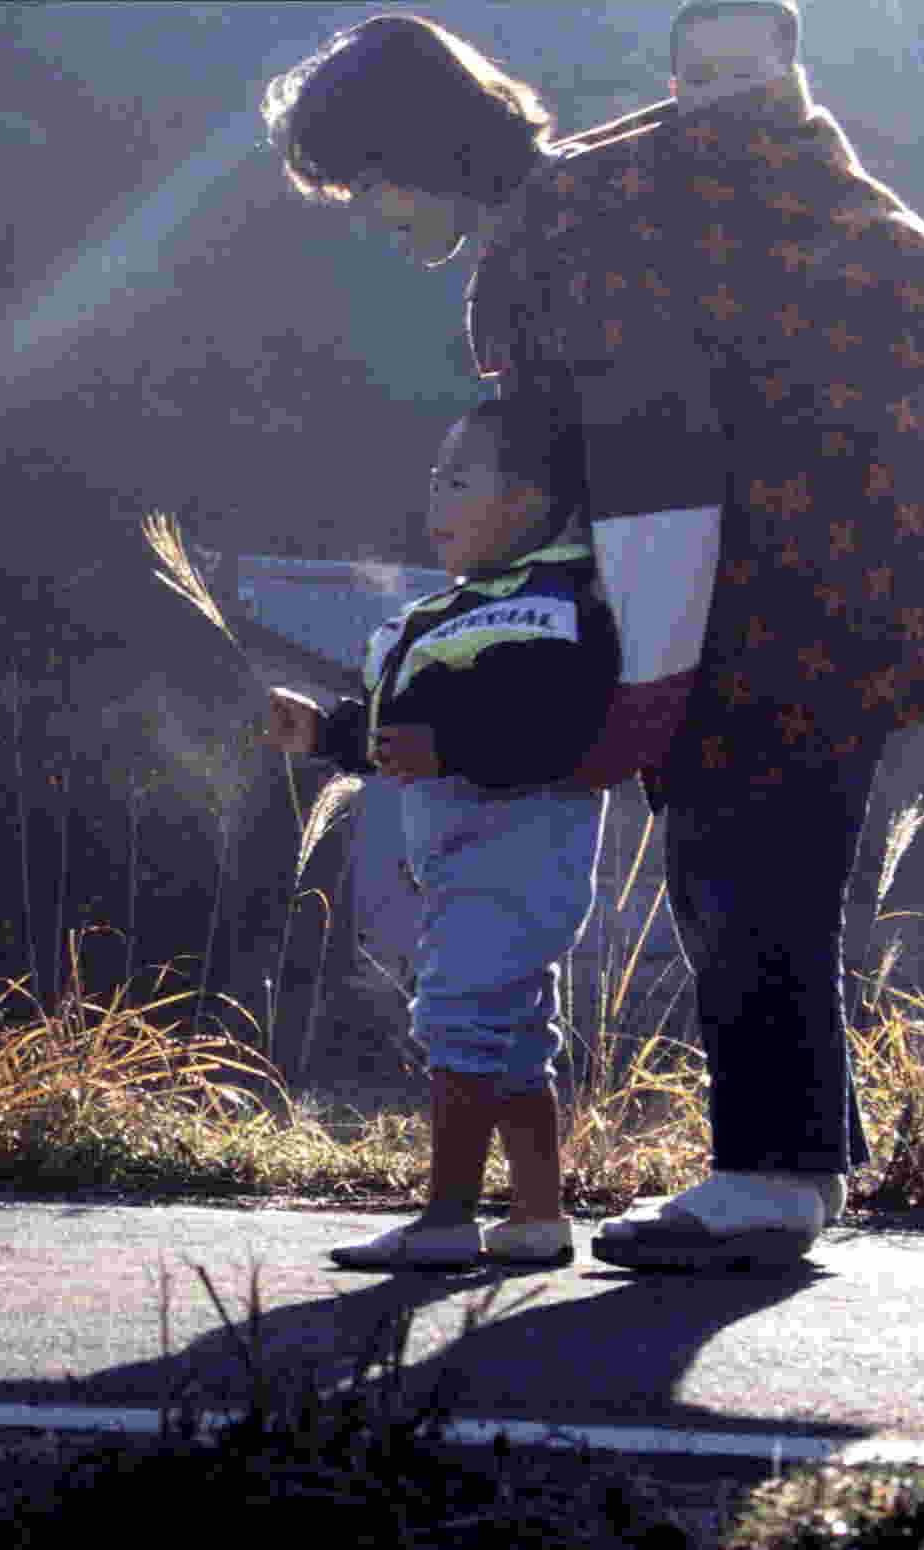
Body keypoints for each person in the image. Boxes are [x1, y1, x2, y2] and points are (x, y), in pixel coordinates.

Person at [263, 4, 924, 1270]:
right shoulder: (569, 213)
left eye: (363, 184)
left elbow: (658, 462)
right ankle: (786, 1161)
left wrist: (650, 678)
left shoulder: (569, 234)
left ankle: (768, 1175)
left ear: (412, 150)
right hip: (845, 530)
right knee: (743, 837)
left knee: (742, 834)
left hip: (806, 549)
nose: (366, 215)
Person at [265, 400, 616, 1270]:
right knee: (511, 1028)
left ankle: (446, 1218)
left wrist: (450, 745)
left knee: (459, 1013)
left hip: (517, 847)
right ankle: (537, 1215)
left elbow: (561, 729)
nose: (436, 496)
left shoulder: (558, 605)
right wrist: (327, 736)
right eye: (433, 476)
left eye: (459, 479)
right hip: (462, 857)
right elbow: (396, 732)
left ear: (530, 500)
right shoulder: (440, 613)